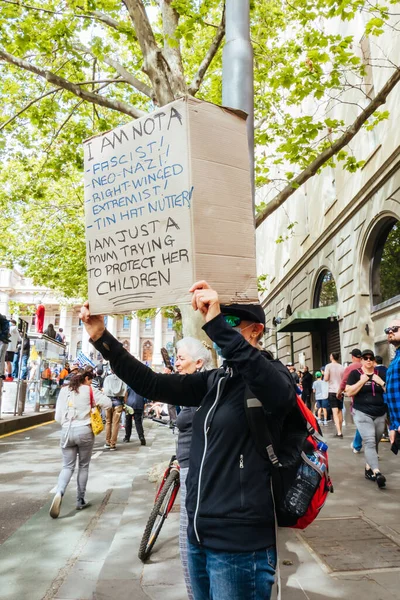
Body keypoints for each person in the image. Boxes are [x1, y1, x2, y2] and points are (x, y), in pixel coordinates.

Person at [80, 280, 295, 600]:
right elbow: (151, 383)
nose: (221, 325)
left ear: (257, 330)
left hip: (239, 550)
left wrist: (216, 322)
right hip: (198, 536)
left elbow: (267, 381)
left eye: (231, 321)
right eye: (221, 318)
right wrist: (101, 337)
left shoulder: (274, 378)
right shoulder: (216, 380)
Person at [174, 337, 213, 600]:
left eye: (181, 358)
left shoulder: (203, 388)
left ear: (198, 362)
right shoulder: (191, 388)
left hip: (196, 471)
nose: (176, 362)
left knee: (188, 543)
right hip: (189, 465)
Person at [50, 367, 112, 518]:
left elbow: (58, 417)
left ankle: (60, 491)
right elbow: (109, 404)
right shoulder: (90, 390)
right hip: (84, 430)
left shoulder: (64, 391)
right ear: (85, 378)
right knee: (83, 466)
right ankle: (80, 500)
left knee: (67, 466)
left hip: (66, 431)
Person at [345, 349, 387, 488]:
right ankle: (377, 472)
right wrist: (361, 382)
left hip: (380, 412)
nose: (368, 360)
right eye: (365, 358)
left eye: (371, 358)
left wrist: (381, 382)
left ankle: (369, 468)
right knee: (369, 441)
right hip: (362, 412)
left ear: (374, 360)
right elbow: (349, 391)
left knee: (375, 441)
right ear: (361, 360)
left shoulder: (382, 373)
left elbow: (390, 390)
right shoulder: (355, 374)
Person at [337, 348, 363, 453]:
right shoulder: (366, 366)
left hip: (356, 398)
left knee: (361, 422)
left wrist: (339, 393)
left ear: (353, 357)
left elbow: (343, 382)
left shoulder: (350, 368)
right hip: (373, 397)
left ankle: (357, 444)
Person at [384, 319, 400, 449]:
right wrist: (393, 426)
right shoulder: (396, 357)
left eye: (395, 328)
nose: (390, 331)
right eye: (387, 330)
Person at [103, 370, 127, 450]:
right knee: (116, 423)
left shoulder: (107, 379)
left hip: (108, 402)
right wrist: (125, 403)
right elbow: (125, 392)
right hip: (118, 402)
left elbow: (104, 391)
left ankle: (107, 442)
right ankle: (113, 444)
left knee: (108, 422)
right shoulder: (122, 379)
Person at [324, 352, 344, 438]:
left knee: (334, 412)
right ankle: (340, 430)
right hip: (340, 391)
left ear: (332, 357)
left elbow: (326, 378)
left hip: (332, 391)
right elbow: (344, 379)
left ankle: (339, 432)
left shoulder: (328, 366)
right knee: (340, 411)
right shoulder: (341, 366)